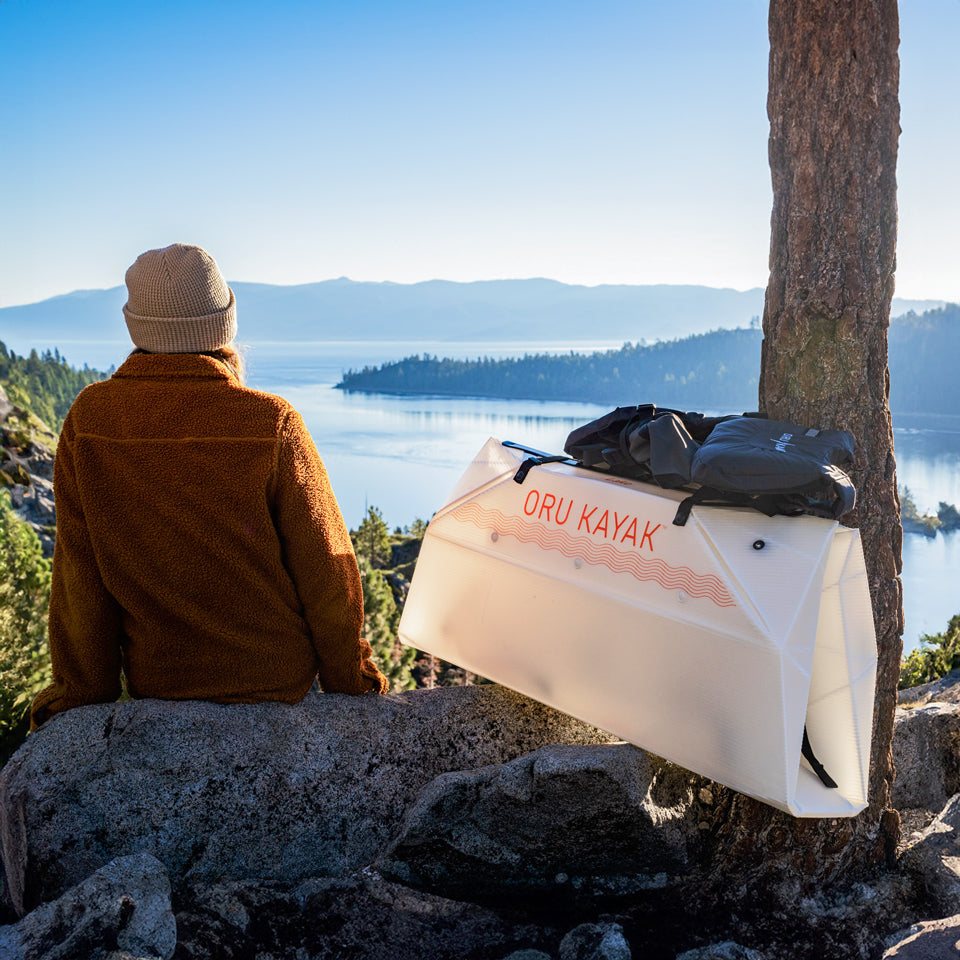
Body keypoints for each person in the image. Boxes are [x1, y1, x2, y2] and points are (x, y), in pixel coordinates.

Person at [30, 243, 387, 729]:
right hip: (276, 686)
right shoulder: (270, 420)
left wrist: (82, 691)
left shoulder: (90, 419)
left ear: (136, 324)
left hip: (163, 684)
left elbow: (80, 573)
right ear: (225, 323)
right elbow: (325, 564)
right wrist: (350, 678)